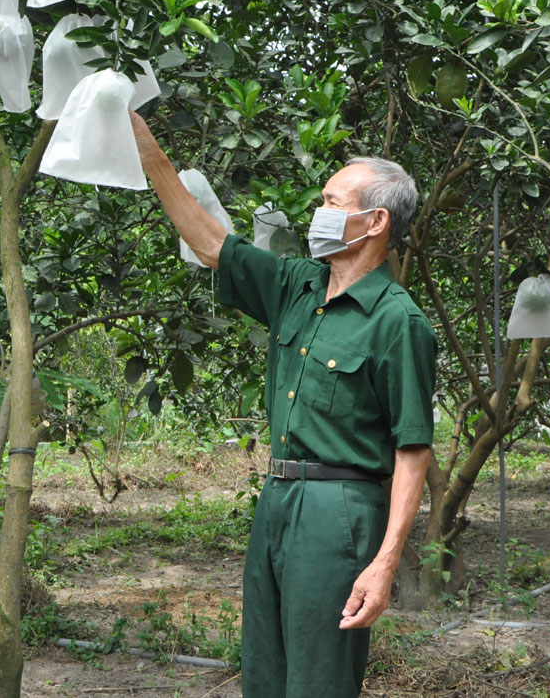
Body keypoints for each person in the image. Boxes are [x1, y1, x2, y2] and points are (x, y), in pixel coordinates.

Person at [130, 115, 436, 697]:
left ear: (375, 222)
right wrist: (150, 154)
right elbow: (208, 238)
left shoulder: (399, 321)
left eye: (331, 201)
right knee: (265, 670)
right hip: (277, 498)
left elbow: (413, 450)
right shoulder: (297, 285)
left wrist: (385, 561)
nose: (318, 214)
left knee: (320, 677)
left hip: (339, 511)